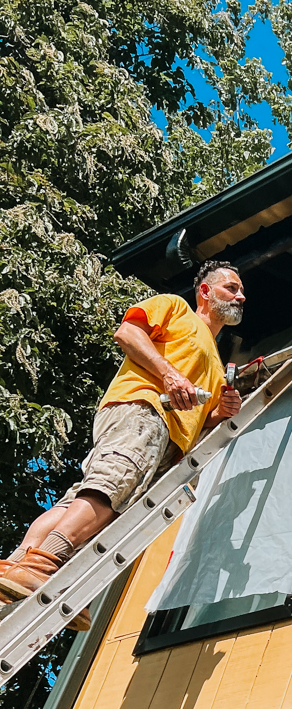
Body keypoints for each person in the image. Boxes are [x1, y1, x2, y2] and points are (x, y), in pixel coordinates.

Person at [0, 260, 245, 628]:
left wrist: (220, 413)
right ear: (205, 292)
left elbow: (199, 419)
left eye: (242, 292)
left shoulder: (214, 355)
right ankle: (43, 564)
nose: (240, 296)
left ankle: (18, 568)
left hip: (164, 434)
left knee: (83, 497)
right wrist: (169, 375)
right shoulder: (175, 308)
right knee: (111, 488)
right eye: (231, 287)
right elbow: (128, 333)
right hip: (142, 411)